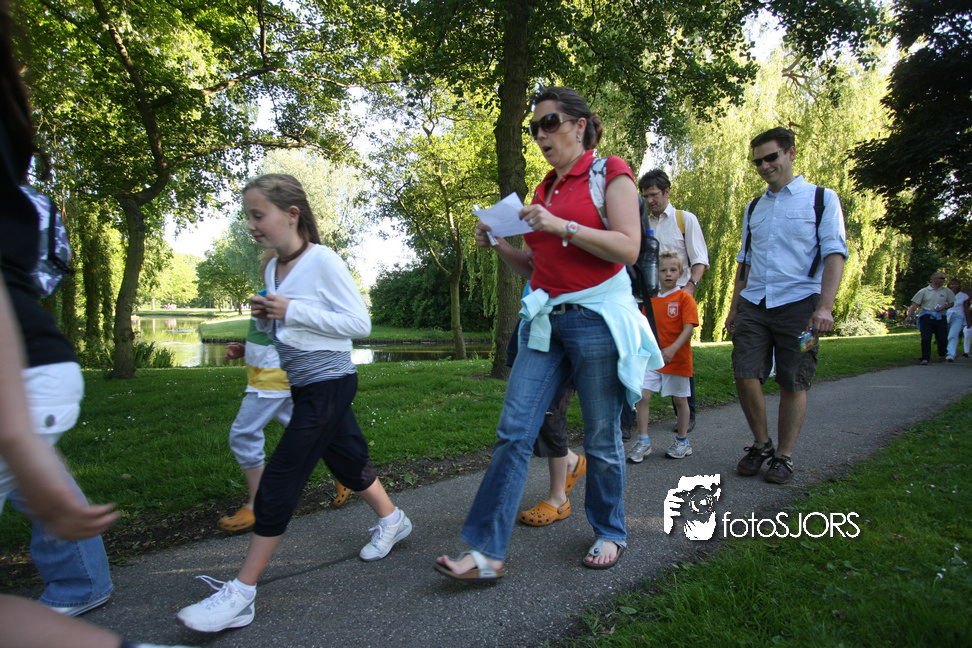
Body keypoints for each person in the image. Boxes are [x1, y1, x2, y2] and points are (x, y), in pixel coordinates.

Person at [435, 86, 661, 580]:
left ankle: (610, 531)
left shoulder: (610, 172)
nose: (540, 133)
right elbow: (538, 269)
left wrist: (560, 226)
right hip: (545, 323)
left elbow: (627, 247)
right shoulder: (544, 190)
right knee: (513, 431)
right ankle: (486, 554)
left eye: (550, 122)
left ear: (580, 126)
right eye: (534, 127)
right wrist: (499, 244)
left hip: (597, 320)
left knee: (601, 437)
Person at [177, 174, 412, 632]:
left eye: (257, 215)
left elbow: (359, 324)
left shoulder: (322, 260)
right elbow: (285, 331)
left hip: (330, 383)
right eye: (247, 216)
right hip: (300, 385)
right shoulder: (271, 269)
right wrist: (261, 327)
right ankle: (393, 519)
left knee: (281, 477)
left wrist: (290, 310)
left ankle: (241, 594)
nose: (250, 224)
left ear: (291, 214)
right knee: (348, 462)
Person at [0, 13, 113, 618]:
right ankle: (80, 584)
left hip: (23, 366)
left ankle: (80, 586)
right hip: (36, 365)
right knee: (32, 481)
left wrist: (18, 434)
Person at [725, 126, 848, 485]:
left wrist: (825, 307)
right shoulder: (754, 207)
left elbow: (835, 254)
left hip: (802, 305)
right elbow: (745, 261)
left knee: (795, 378)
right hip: (754, 302)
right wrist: (734, 308)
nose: (764, 166)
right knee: (744, 372)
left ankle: (784, 456)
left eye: (771, 157)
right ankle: (761, 444)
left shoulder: (821, 199)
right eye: (758, 161)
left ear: (791, 153)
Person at [217, 273, 350, 533]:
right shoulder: (270, 294)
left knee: (243, 434)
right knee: (311, 432)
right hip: (271, 374)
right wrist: (246, 349)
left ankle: (258, 504)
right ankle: (348, 474)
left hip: (271, 379)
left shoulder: (287, 296)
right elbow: (269, 334)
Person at [638, 168, 710, 434]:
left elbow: (699, 259)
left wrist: (690, 288)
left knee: (678, 354)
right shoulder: (642, 223)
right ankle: (631, 419)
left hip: (678, 298)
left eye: (654, 195)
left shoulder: (684, 220)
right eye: (646, 196)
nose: (650, 200)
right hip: (649, 298)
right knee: (642, 354)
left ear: (667, 192)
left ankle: (686, 413)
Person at [505, 318, 587, 527]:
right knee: (532, 415)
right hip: (537, 333)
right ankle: (571, 461)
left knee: (551, 417)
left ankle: (558, 498)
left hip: (565, 341)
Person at [627, 251, 698, 462]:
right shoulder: (651, 301)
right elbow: (643, 328)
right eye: (664, 270)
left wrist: (673, 348)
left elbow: (688, 328)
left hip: (677, 359)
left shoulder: (685, 298)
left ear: (681, 273)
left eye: (673, 270)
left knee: (680, 400)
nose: (668, 274)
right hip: (653, 359)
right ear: (656, 273)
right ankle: (643, 442)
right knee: (643, 396)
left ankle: (682, 441)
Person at [904, 272, 954, 364]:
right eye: (941, 278)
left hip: (940, 316)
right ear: (934, 279)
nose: (943, 280)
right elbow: (915, 305)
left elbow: (951, 303)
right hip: (927, 316)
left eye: (944, 279)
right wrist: (909, 316)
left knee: (942, 337)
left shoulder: (946, 291)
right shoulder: (924, 291)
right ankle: (925, 358)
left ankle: (942, 354)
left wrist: (944, 307)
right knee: (926, 337)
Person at [944, 279, 969, 362]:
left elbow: (966, 308)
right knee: (944, 335)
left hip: (958, 316)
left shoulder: (964, 296)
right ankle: (944, 351)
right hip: (947, 315)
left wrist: (968, 321)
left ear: (959, 285)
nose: (954, 286)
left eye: (956, 284)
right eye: (952, 284)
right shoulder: (946, 294)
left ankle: (951, 354)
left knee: (953, 335)